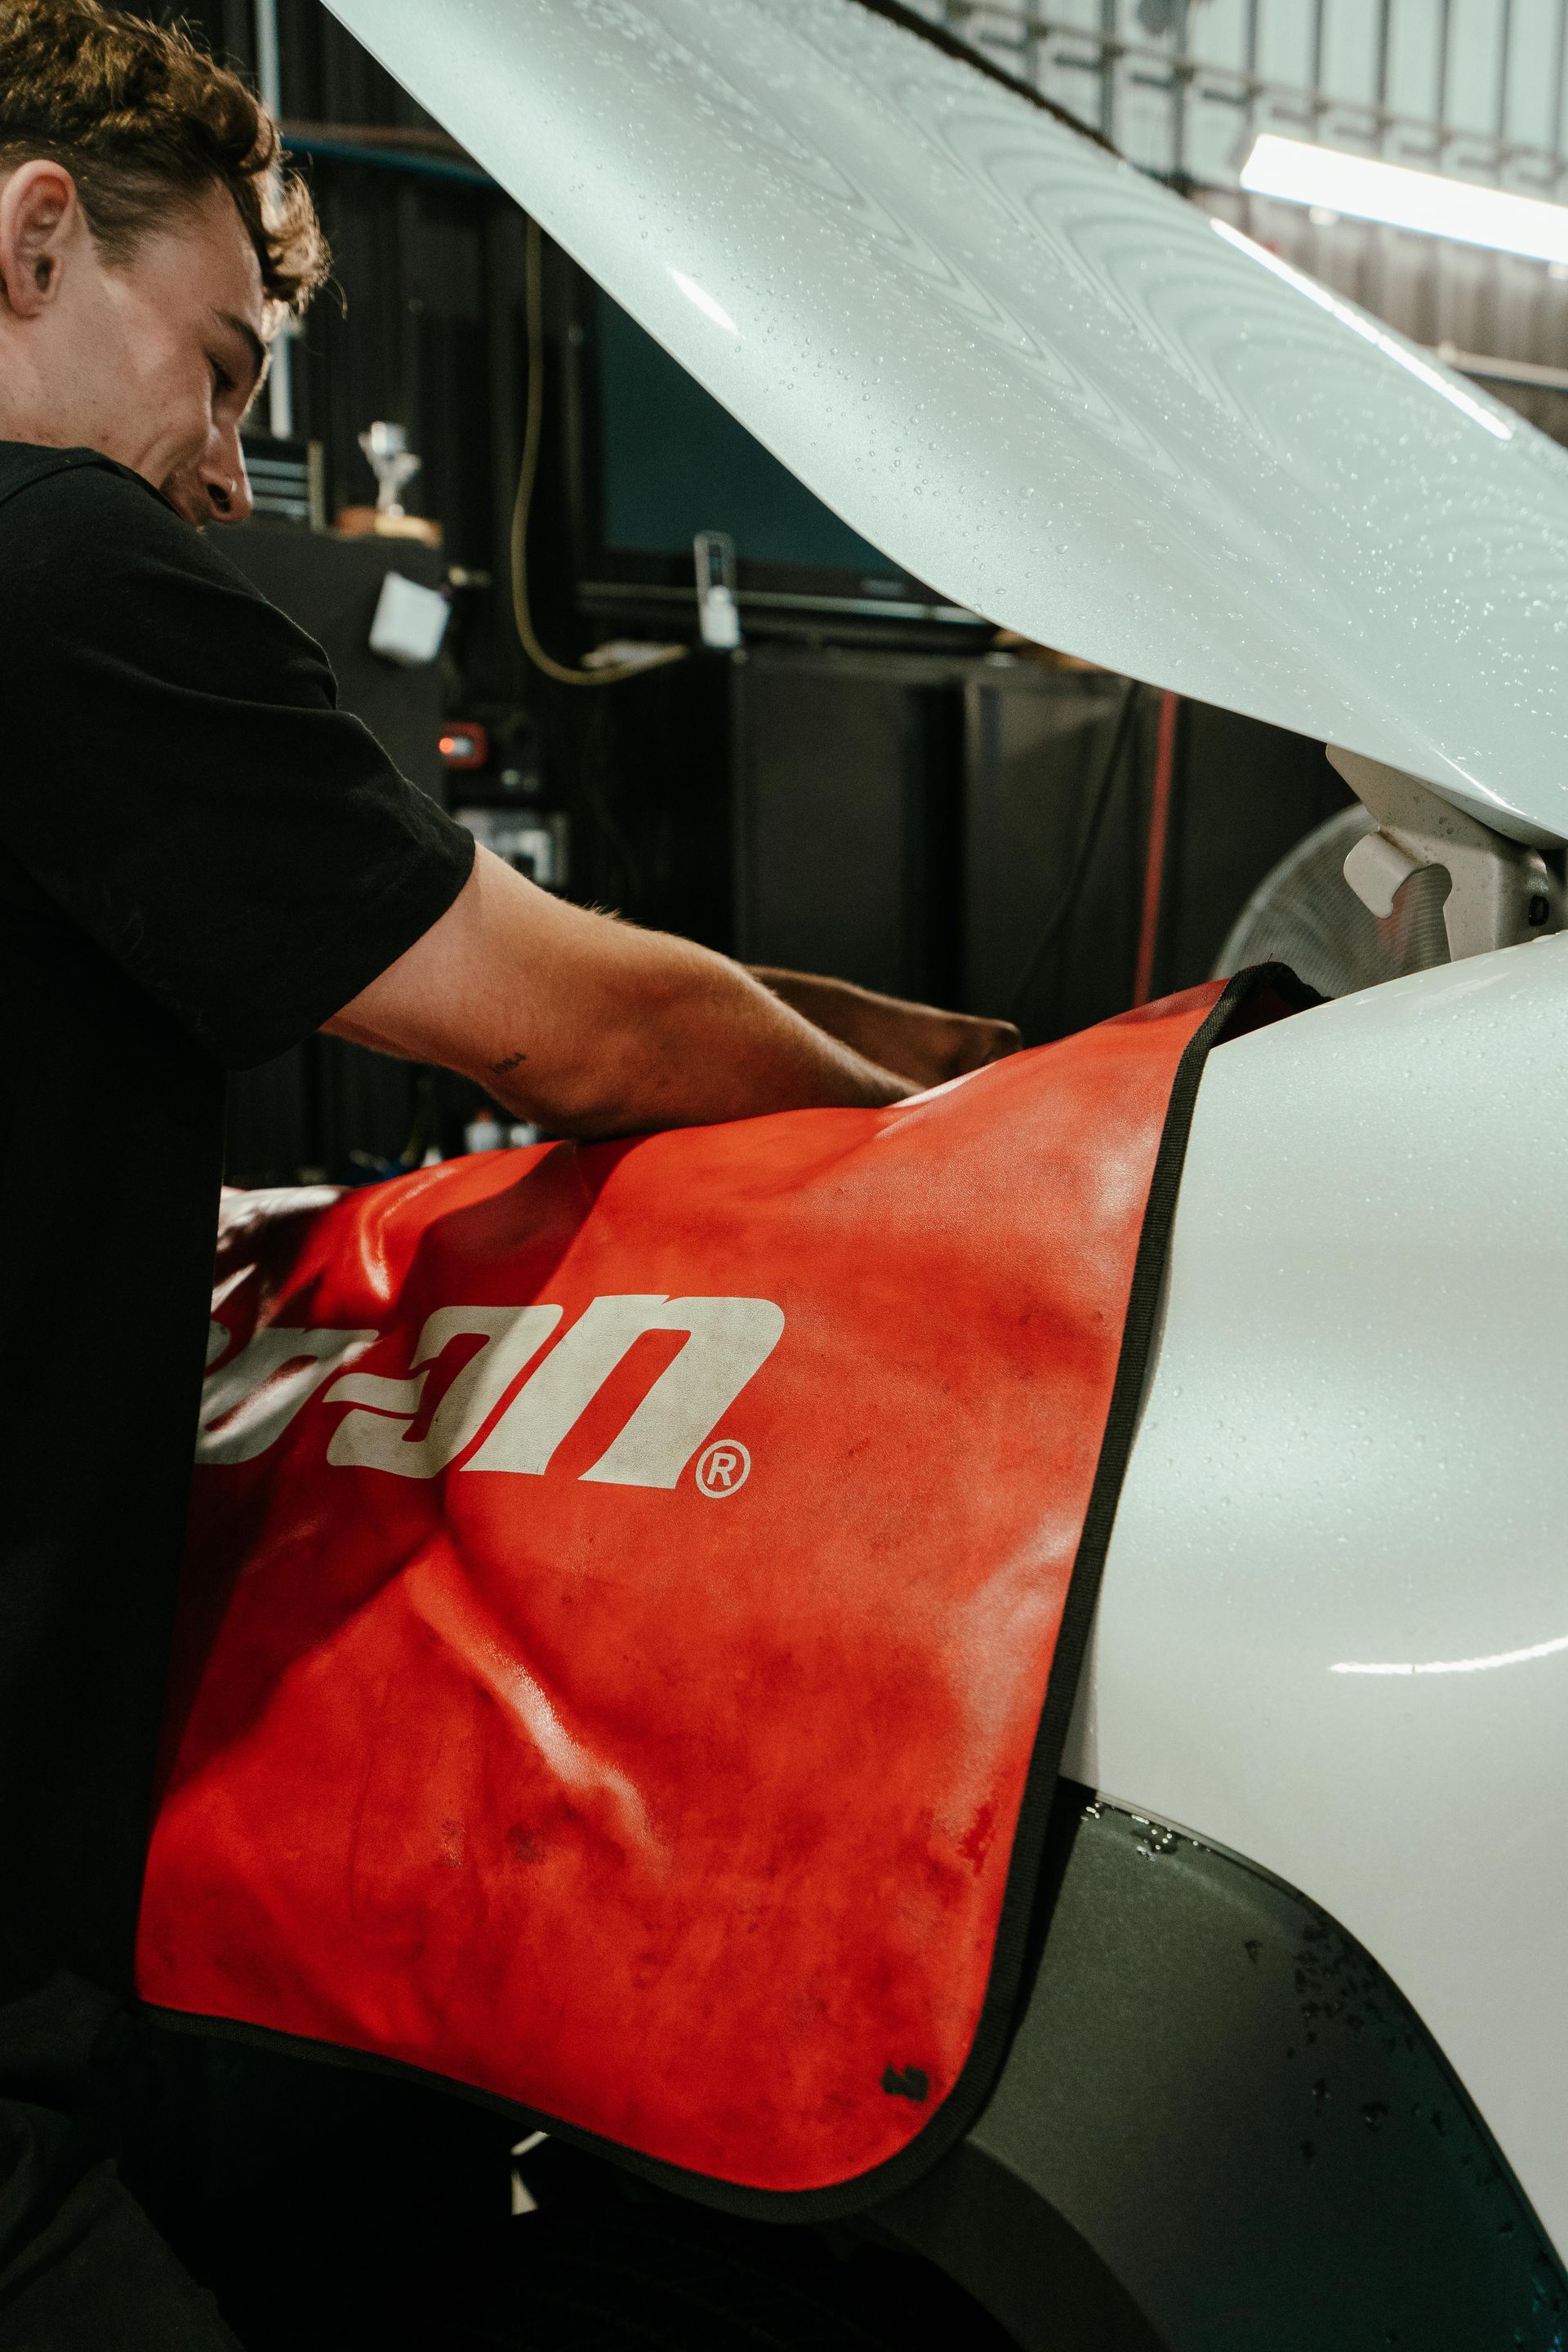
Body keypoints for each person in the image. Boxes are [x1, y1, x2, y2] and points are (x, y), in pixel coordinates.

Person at [0, 4, 1018, 2341]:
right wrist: (953, 1115)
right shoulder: (47, 556)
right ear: (37, 238)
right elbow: (564, 1020)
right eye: (227, 366)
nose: (232, 469)